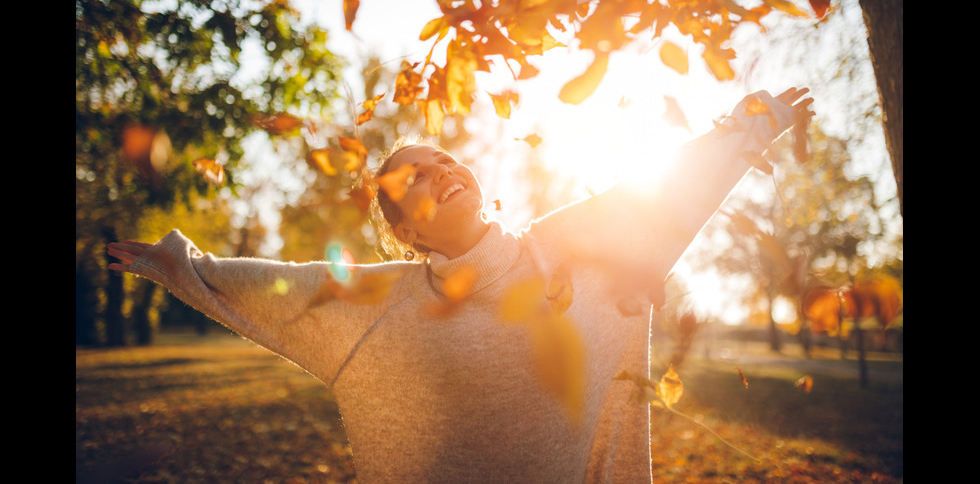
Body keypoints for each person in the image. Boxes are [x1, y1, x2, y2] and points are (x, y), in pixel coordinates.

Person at [108, 88, 814, 483]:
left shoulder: (574, 249)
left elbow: (658, 197)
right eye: (415, 178)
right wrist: (174, 263)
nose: (443, 171)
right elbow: (277, 285)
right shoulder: (378, 305)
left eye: (445, 159)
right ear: (408, 234)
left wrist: (746, 127)